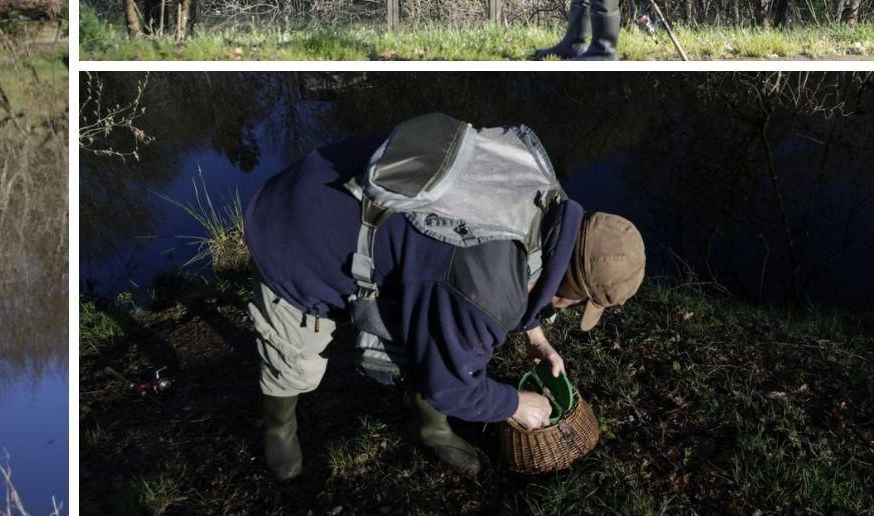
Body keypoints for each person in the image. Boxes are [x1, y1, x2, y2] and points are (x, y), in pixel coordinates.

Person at [243, 121, 645, 480]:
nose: (571, 308)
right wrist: (513, 404)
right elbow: (449, 386)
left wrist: (536, 338)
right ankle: (279, 428)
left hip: (358, 196)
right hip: (295, 230)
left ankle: (430, 429)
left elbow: (531, 263)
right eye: (578, 302)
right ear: (571, 292)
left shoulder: (545, 192)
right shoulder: (485, 293)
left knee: (434, 336)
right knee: (296, 362)